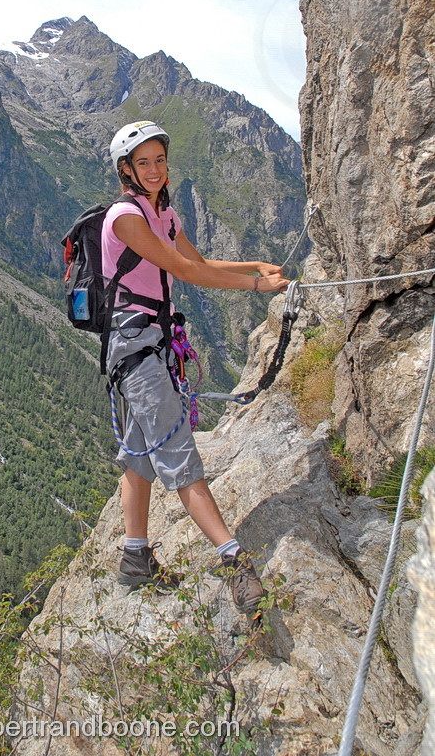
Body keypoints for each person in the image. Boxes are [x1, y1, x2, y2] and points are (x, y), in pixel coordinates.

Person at [101, 120, 290, 615]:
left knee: (142, 451)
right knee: (179, 452)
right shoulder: (125, 218)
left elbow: (199, 262)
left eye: (160, 159)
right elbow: (183, 272)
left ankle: (135, 557)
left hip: (151, 342)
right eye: (144, 162)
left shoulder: (164, 213)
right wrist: (255, 287)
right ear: (126, 170)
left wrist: (254, 266)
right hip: (136, 347)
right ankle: (234, 561)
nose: (156, 169)